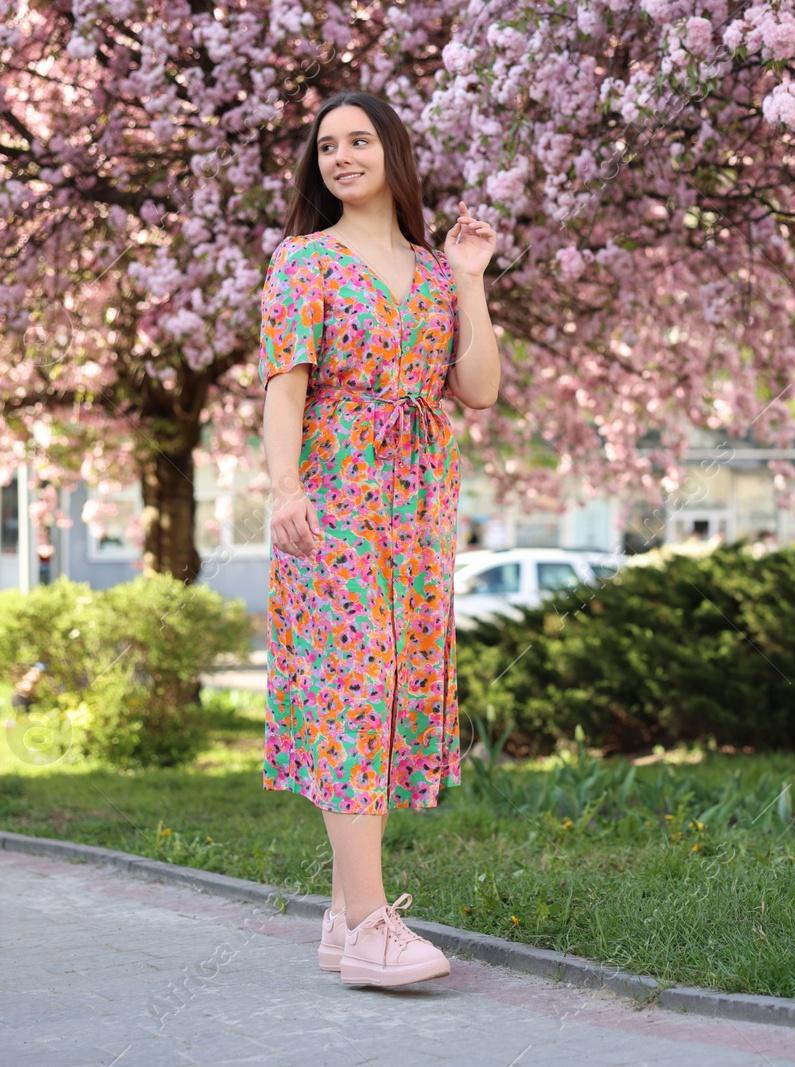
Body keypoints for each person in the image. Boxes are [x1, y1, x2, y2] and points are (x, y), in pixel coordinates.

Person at [258, 92, 500, 988]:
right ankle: (368, 921)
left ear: (393, 155)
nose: (341, 156)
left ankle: (339, 919)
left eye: (359, 141)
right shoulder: (304, 261)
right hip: (336, 499)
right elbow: (285, 384)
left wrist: (471, 278)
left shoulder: (438, 274)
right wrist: (286, 488)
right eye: (327, 146)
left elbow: (476, 388)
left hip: (420, 505)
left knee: (389, 694)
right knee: (353, 688)